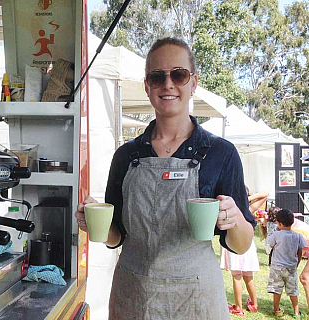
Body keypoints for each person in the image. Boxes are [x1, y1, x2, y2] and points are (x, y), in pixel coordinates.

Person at [75, 36, 255, 319]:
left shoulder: (221, 153)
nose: (168, 84)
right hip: (134, 295)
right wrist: (95, 223)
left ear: (193, 82)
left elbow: (241, 244)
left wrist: (234, 218)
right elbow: (116, 238)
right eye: (157, 77)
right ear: (147, 86)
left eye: (178, 75)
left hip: (197, 299)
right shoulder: (126, 156)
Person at [220, 187, 263, 316]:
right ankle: (254, 304)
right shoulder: (248, 210)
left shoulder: (230, 210)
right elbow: (264, 195)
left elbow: (265, 195)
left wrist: (243, 198)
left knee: (237, 277)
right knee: (248, 277)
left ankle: (239, 307)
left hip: (234, 245)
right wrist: (247, 198)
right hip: (247, 246)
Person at [267, 208, 306, 318]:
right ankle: (296, 312)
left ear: (278, 223)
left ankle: (276, 310)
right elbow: (300, 251)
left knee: (277, 290)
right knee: (293, 291)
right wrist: (297, 264)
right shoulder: (298, 236)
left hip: (276, 268)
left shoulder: (276, 235)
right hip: (291, 268)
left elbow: (271, 245)